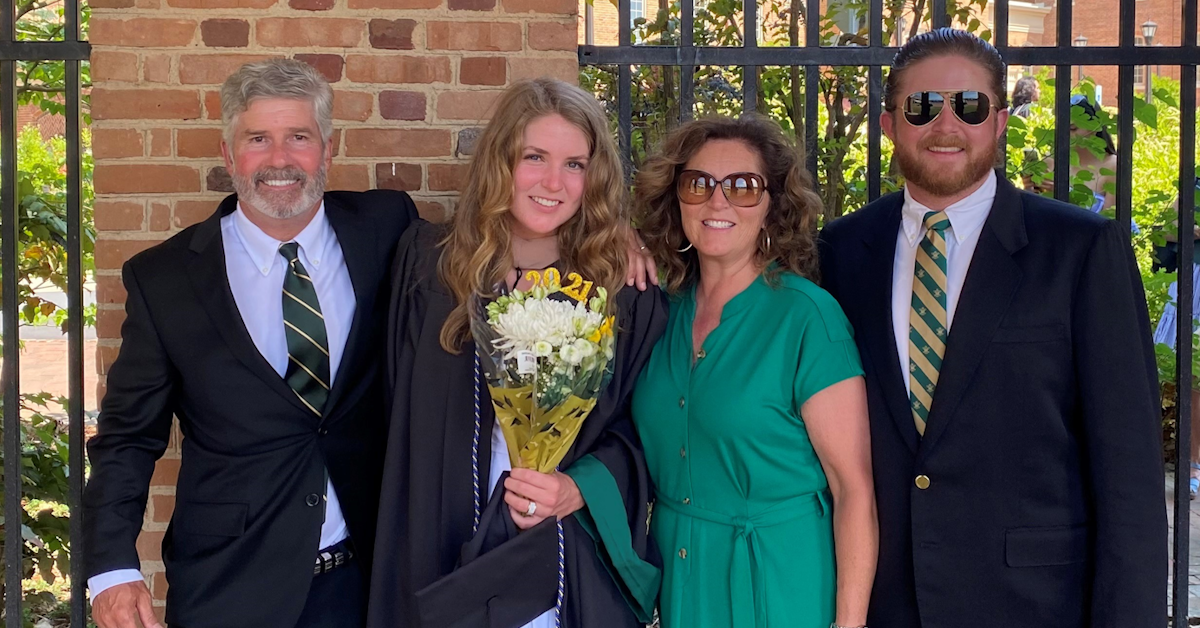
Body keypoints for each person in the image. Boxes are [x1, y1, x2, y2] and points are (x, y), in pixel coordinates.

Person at [819, 28, 1167, 627]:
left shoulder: (1080, 251)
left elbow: (1128, 470)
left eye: (971, 106)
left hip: (1034, 605)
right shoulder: (841, 252)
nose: (946, 125)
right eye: (922, 106)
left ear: (1000, 121)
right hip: (887, 602)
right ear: (888, 123)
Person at [82, 59, 419, 628]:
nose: (280, 160)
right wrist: (112, 568)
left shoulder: (387, 228)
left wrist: (617, 246)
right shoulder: (165, 279)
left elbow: (487, 254)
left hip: (368, 583)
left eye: (299, 138)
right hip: (230, 585)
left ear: (328, 150)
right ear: (227, 152)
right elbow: (128, 438)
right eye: (258, 138)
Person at [367, 78, 668, 628]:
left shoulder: (620, 293)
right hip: (441, 544)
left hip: (560, 559)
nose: (554, 182)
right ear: (499, 162)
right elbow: (395, 412)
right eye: (534, 157)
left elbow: (644, 432)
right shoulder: (430, 269)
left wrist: (578, 489)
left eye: (575, 164)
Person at [631, 115, 877, 628]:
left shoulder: (806, 318)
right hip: (680, 576)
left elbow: (851, 487)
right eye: (697, 184)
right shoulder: (658, 311)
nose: (717, 202)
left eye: (743, 187)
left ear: (772, 206)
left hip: (777, 579)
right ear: (676, 199)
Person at [1152, 178, 1200, 498]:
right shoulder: (1195, 183)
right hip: (1194, 284)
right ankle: (1193, 464)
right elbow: (1164, 232)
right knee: (1193, 379)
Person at [1025, 95, 1121, 218]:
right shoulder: (1050, 160)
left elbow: (1111, 224)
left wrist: (1066, 195)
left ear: (1095, 128)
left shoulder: (1113, 166)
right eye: (1061, 128)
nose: (1066, 134)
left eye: (1072, 128)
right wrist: (1029, 188)